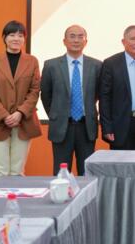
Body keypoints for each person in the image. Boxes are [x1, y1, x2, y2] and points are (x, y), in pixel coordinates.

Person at [0, 20, 42, 181]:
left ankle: (15, 198)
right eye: (12, 35)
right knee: (0, 172)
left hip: (24, 122)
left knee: (17, 172)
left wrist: (20, 113)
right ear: (4, 38)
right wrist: (5, 116)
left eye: (20, 35)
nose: (16, 38)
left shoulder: (32, 61)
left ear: (24, 39)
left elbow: (34, 91)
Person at [40, 25, 102, 175]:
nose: (76, 40)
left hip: (86, 127)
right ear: (64, 41)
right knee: (61, 174)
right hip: (62, 127)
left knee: (86, 173)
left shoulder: (96, 65)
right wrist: (56, 115)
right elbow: (46, 95)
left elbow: (98, 94)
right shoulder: (51, 65)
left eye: (80, 37)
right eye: (72, 36)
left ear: (86, 41)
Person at [99, 25, 135, 150]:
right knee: (120, 162)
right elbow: (104, 98)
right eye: (133, 39)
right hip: (120, 125)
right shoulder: (111, 64)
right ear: (123, 42)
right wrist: (107, 127)